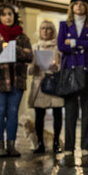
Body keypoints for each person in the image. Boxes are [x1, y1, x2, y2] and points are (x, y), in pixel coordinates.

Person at [0, 3, 33, 157]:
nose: (8, 17)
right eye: (4, 14)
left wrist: (8, 48)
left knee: (13, 113)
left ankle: (11, 145)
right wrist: (18, 50)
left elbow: (29, 56)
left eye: (10, 14)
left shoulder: (22, 36)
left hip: (16, 79)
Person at [58, 0, 88, 159]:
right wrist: (83, 42)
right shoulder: (64, 25)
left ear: (87, 8)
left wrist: (74, 42)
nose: (79, 7)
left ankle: (86, 146)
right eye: (76, 4)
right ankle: (69, 146)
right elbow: (61, 45)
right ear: (72, 7)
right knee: (70, 109)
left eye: (83, 5)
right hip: (71, 69)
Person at [28, 18, 63, 156]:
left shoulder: (58, 48)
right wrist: (33, 68)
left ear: (53, 31)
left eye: (48, 28)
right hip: (40, 83)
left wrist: (57, 67)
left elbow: (62, 65)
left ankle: (56, 142)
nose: (45, 31)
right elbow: (29, 67)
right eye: (43, 28)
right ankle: (40, 143)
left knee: (57, 113)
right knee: (39, 115)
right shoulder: (35, 47)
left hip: (55, 83)